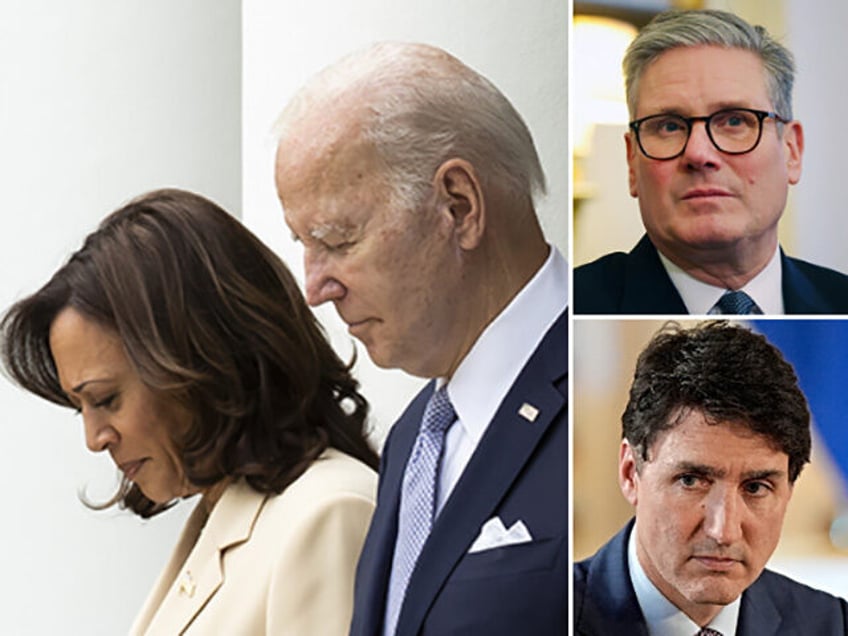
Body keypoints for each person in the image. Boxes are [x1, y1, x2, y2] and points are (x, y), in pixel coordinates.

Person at [273, 42, 567, 635]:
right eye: (304, 246)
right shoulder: (413, 440)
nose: (315, 288)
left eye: (336, 239)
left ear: (458, 206)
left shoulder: (624, 389)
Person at [0, 189, 378, 634]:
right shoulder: (222, 516)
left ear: (200, 360)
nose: (95, 438)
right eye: (78, 407)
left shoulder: (326, 513)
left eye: (105, 400)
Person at [574, 321, 848, 635]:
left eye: (756, 487)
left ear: (788, 491)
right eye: (691, 481)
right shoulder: (540, 613)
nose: (723, 531)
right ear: (630, 473)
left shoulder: (832, 624)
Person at [574, 9, 848, 315]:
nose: (698, 154)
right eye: (669, 126)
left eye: (734, 120)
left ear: (791, 150)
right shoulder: (574, 308)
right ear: (632, 161)